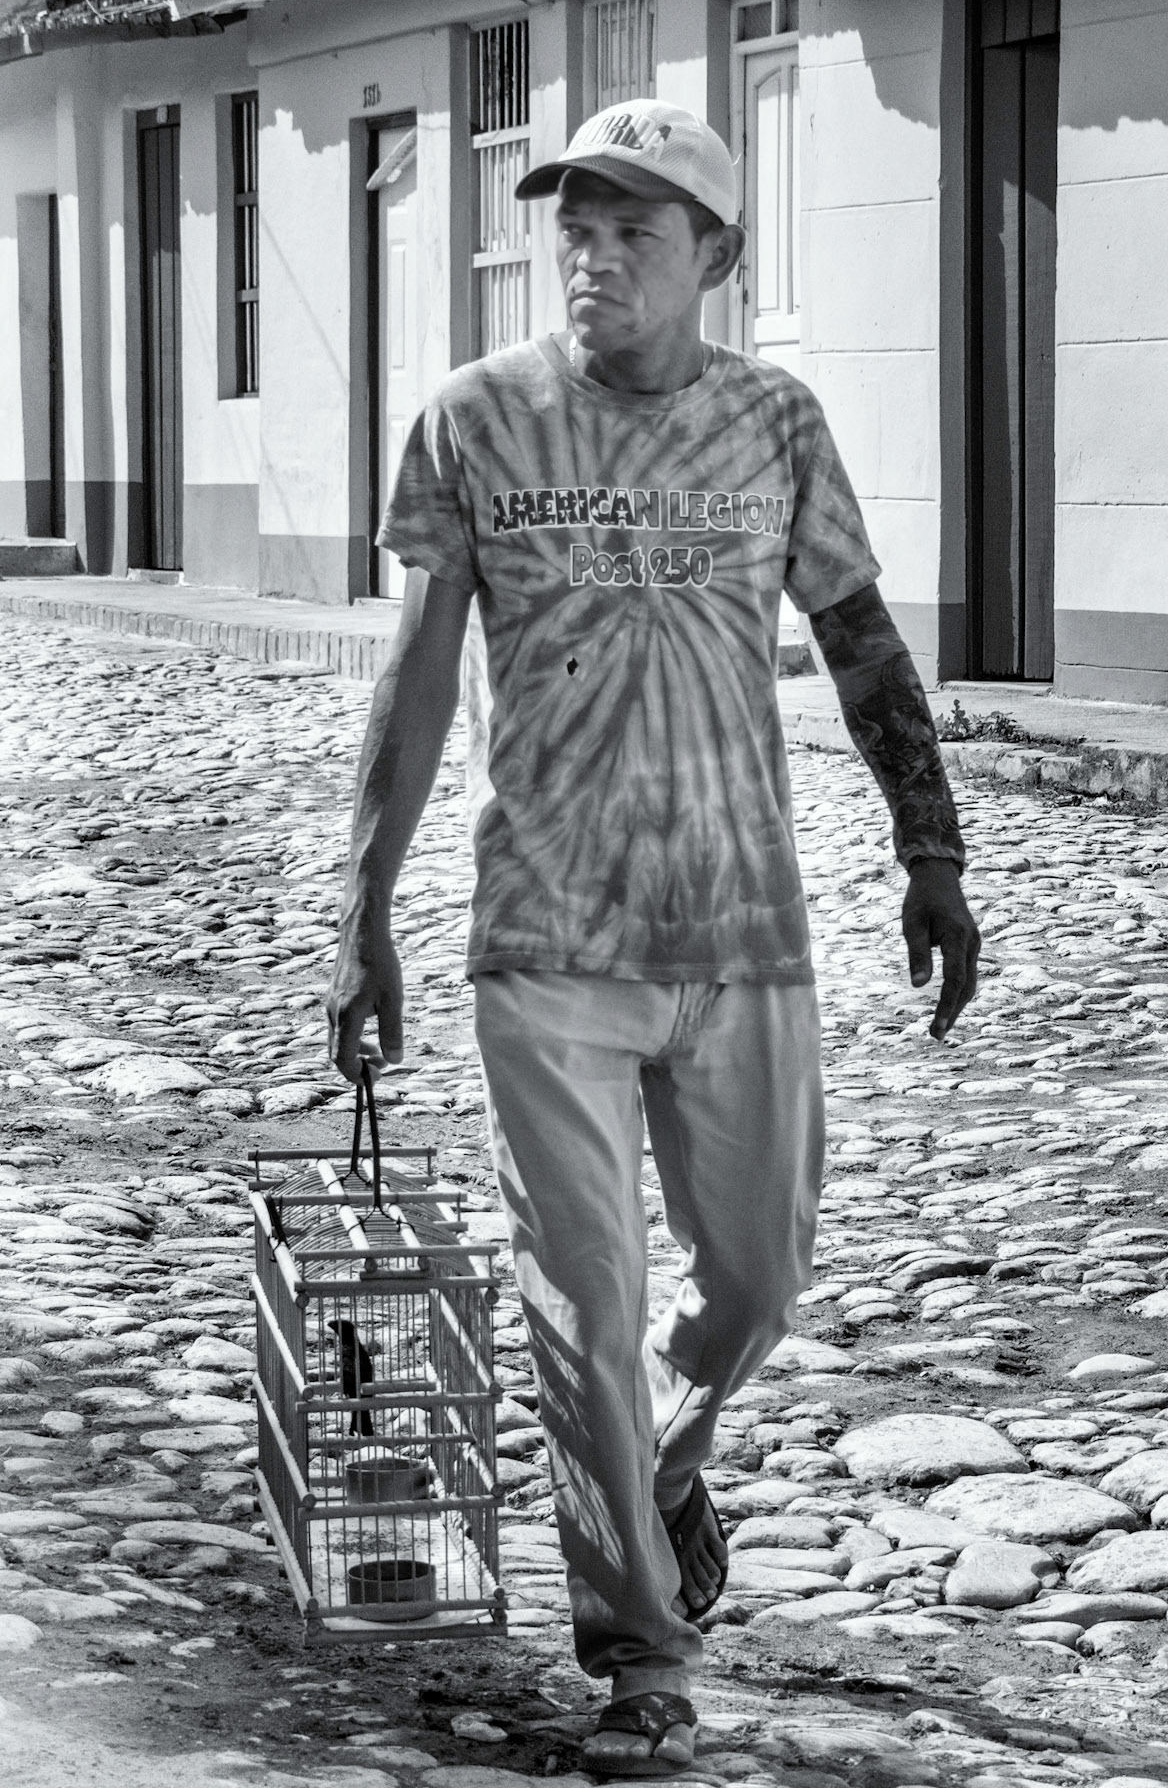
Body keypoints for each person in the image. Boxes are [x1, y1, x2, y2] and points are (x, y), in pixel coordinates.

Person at [327, 99, 980, 1779]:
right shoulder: (474, 422)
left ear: (716, 258)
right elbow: (413, 681)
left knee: (757, 1279)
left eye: (636, 230)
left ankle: (671, 1454)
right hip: (542, 936)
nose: (594, 256)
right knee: (581, 1305)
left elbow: (858, 638)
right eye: (577, 226)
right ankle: (639, 1651)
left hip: (743, 930)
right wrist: (365, 913)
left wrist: (933, 852)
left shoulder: (772, 421)